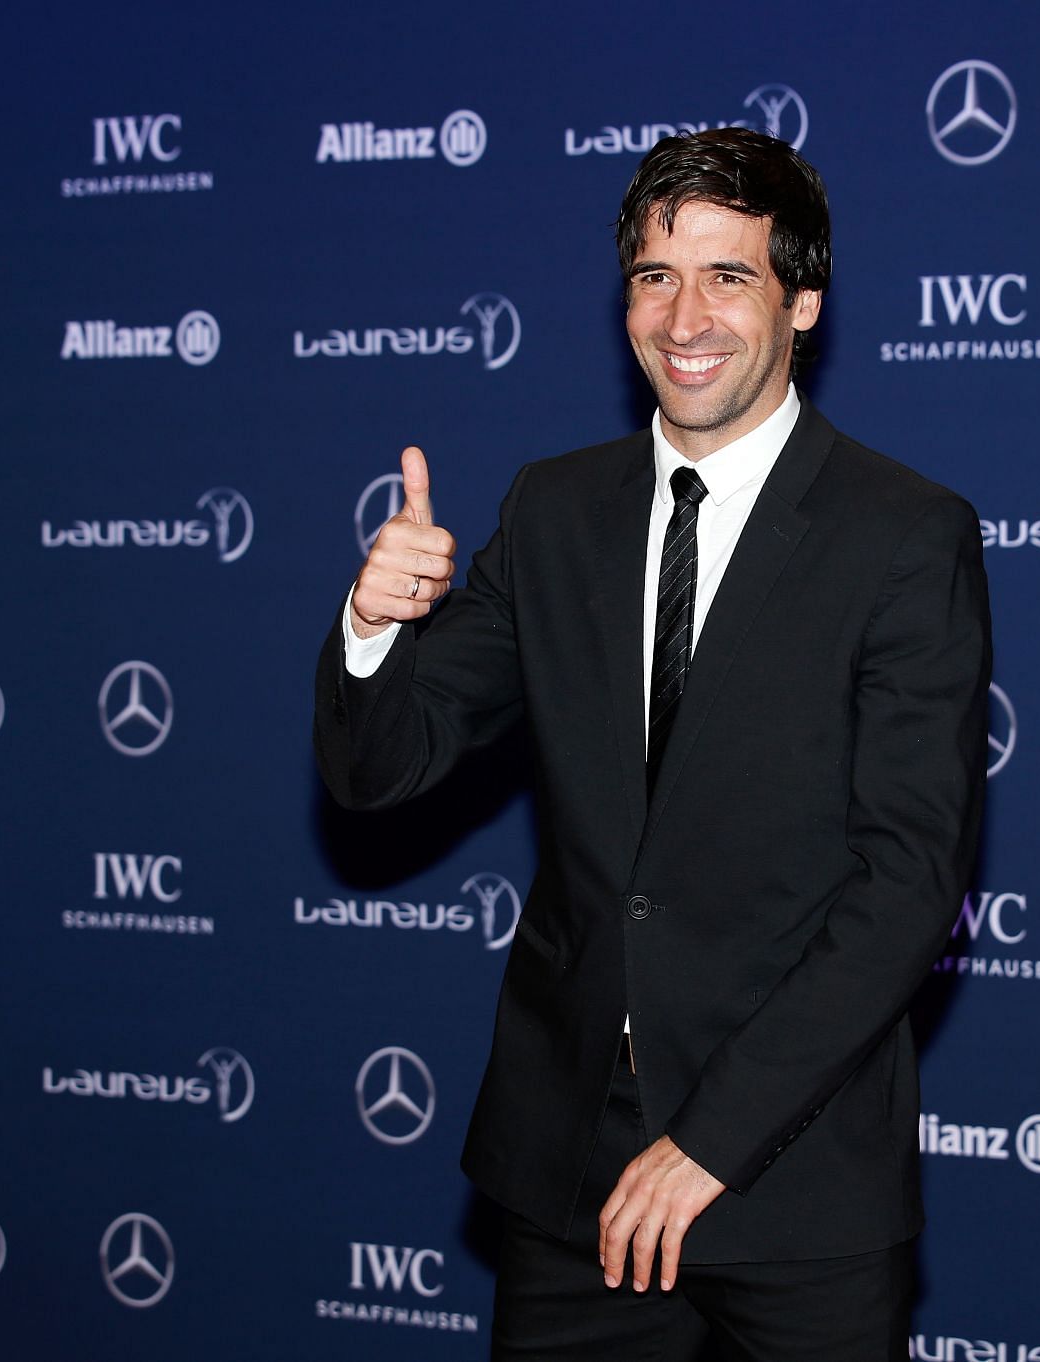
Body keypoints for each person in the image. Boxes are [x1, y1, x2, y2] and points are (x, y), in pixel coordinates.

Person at [313, 127, 990, 1361]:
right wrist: (371, 626)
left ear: (804, 301)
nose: (685, 317)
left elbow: (907, 884)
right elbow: (379, 770)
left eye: (728, 277)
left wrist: (710, 1144)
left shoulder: (904, 535)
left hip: (797, 1183)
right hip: (572, 1174)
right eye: (654, 276)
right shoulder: (554, 508)